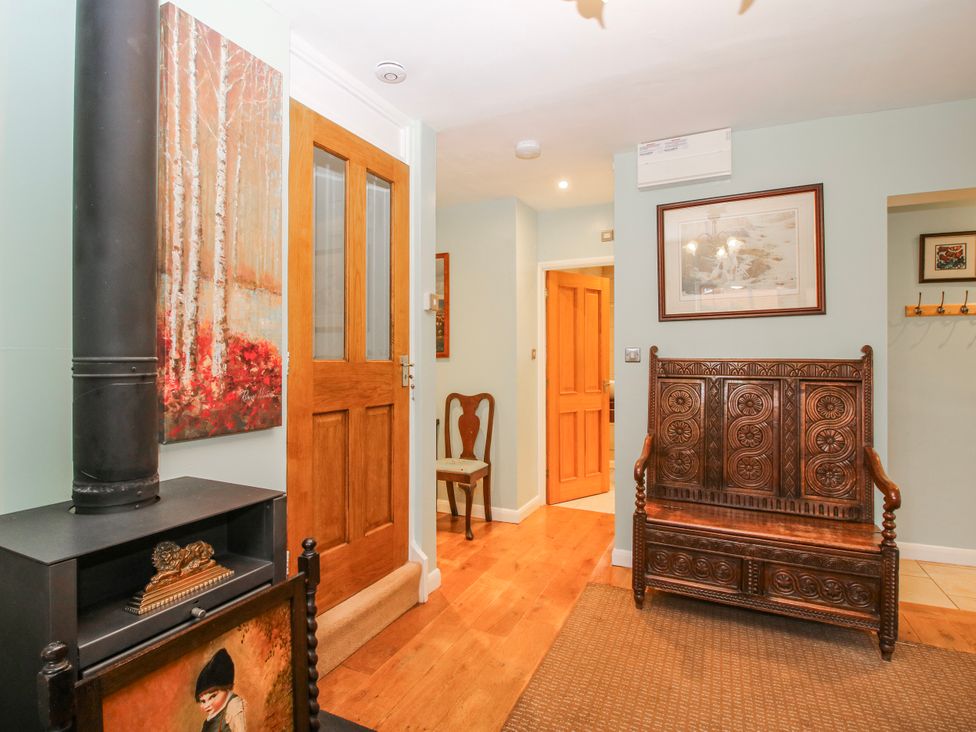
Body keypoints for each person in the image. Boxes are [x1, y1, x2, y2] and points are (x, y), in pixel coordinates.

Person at [195, 648, 246, 732]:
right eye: (203, 701)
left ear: (226, 689)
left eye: (212, 697)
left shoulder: (233, 708)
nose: (207, 705)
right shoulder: (209, 720)